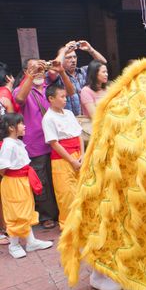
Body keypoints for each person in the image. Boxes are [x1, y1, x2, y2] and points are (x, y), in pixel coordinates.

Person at [13, 51, 75, 229]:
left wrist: (61, 71)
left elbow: (70, 92)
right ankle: (47, 215)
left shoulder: (50, 86)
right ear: (26, 71)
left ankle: (62, 212)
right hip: (36, 145)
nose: (40, 71)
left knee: (59, 179)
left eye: (41, 68)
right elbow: (19, 99)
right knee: (42, 181)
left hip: (58, 144)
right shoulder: (23, 88)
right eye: (34, 68)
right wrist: (31, 77)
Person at [0, 113, 54, 258]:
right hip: (14, 182)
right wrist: (14, 176)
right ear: (11, 128)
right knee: (16, 212)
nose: (24, 126)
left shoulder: (16, 142)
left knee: (26, 209)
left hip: (23, 180)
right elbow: (2, 168)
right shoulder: (8, 145)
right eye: (21, 123)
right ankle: (14, 244)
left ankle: (31, 241)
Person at [42, 85, 84, 229]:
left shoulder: (69, 113)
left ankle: (83, 222)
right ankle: (68, 226)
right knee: (66, 195)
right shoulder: (48, 118)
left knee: (81, 190)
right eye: (62, 97)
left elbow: (79, 135)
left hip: (78, 155)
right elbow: (54, 143)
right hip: (62, 159)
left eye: (65, 96)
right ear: (51, 99)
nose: (65, 99)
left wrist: (83, 155)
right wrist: (72, 161)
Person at [48, 40, 107, 116]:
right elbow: (52, 72)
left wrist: (90, 49)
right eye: (68, 57)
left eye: (74, 57)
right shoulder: (58, 74)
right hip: (68, 119)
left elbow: (102, 63)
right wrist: (64, 51)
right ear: (62, 59)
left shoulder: (83, 71)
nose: (73, 60)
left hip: (86, 118)